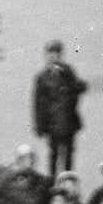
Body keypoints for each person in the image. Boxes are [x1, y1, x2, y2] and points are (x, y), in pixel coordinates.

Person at [31, 40, 88, 176]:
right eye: (50, 53)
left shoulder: (68, 72)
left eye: (56, 53)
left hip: (68, 121)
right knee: (53, 155)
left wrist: (78, 85)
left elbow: (78, 88)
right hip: (52, 123)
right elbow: (38, 103)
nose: (53, 57)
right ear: (46, 55)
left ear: (60, 55)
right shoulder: (42, 77)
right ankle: (52, 182)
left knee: (68, 155)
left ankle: (68, 181)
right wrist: (39, 125)